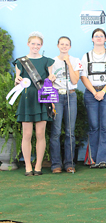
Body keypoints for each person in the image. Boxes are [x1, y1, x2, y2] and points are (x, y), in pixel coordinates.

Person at [13, 31, 55, 176]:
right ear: (28, 44)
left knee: (40, 133)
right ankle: (27, 166)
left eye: (38, 44)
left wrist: (52, 78)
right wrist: (17, 79)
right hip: (26, 100)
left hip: (42, 98)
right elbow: (17, 78)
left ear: (41, 45)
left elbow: (50, 78)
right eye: (33, 44)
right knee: (27, 134)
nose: (35, 46)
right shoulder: (20, 61)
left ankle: (38, 166)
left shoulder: (47, 61)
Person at [81, 28, 106, 168]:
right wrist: (94, 92)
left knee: (105, 126)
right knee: (93, 126)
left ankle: (104, 159)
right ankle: (93, 159)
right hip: (91, 92)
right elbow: (83, 76)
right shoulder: (86, 56)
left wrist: (102, 91)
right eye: (96, 36)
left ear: (105, 39)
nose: (98, 38)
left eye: (101, 36)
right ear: (92, 39)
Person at [50, 36, 83, 174]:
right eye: (62, 44)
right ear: (58, 45)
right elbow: (49, 83)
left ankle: (69, 163)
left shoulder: (75, 61)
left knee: (70, 131)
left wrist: (68, 63)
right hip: (57, 94)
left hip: (71, 94)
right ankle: (56, 164)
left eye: (67, 44)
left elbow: (75, 79)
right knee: (56, 131)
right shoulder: (51, 62)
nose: (64, 46)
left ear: (70, 46)